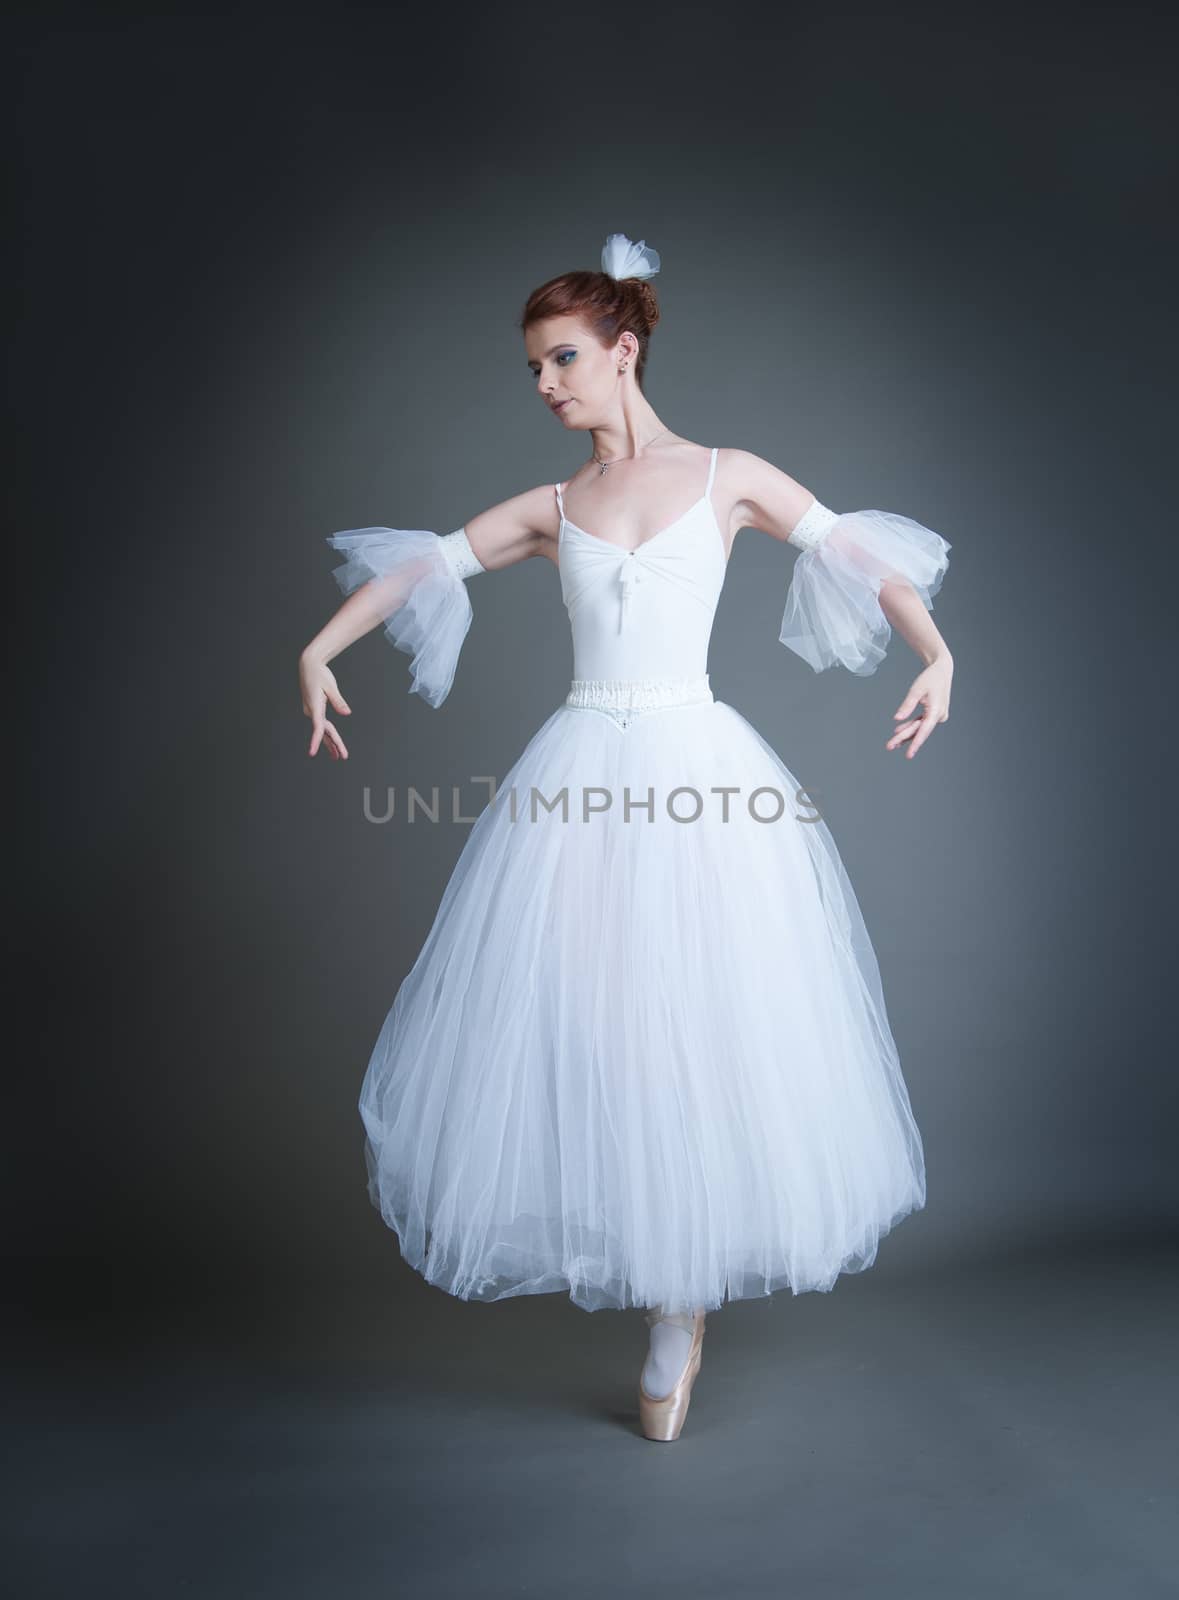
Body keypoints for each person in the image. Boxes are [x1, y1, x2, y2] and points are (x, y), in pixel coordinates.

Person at [299, 233, 954, 1442]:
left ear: (624, 350)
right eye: (534, 369)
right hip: (580, 783)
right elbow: (423, 569)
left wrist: (937, 652)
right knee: (601, 1023)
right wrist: (318, 649)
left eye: (562, 359)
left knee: (707, 1016)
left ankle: (678, 1302)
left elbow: (858, 555)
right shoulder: (556, 507)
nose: (546, 384)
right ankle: (659, 1277)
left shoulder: (727, 475)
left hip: (699, 773)